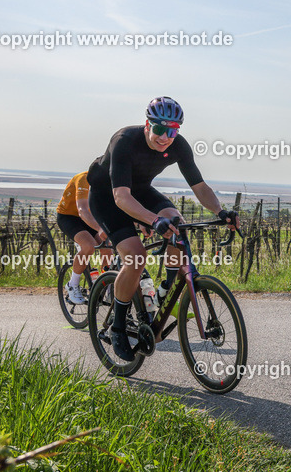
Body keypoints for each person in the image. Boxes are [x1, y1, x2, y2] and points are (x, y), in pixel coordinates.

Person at [87, 96, 239, 362]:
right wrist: (152, 220)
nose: (165, 137)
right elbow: (121, 197)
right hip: (107, 197)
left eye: (172, 131)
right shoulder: (124, 140)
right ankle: (118, 326)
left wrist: (221, 212)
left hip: (141, 191)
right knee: (135, 256)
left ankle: (166, 288)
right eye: (159, 129)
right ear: (147, 124)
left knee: (176, 223)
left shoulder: (179, 146)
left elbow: (200, 187)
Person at [55, 171, 113, 304]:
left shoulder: (113, 180)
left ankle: (107, 286)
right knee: (89, 246)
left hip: (91, 217)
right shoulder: (84, 178)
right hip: (70, 217)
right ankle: (72, 284)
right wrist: (99, 229)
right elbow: (82, 210)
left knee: (107, 250)